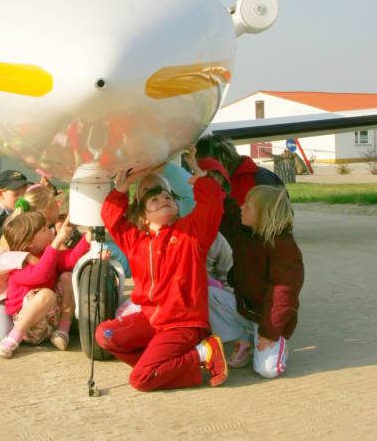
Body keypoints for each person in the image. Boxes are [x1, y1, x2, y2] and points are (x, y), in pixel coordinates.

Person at [94, 148, 229, 392]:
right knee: (106, 335)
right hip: (151, 320)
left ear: (177, 207)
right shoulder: (136, 242)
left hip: (182, 324)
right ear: (143, 218)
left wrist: (200, 176)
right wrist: (124, 187)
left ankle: (203, 352)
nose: (163, 199)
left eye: (168, 197)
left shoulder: (191, 234)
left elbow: (212, 204)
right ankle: (170, 365)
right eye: (154, 200)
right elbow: (112, 218)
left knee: (140, 380)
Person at [209, 185, 304, 378]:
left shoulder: (284, 249)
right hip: (245, 309)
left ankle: (278, 343)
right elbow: (227, 210)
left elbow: (283, 295)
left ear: (264, 214)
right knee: (207, 294)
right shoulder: (243, 230)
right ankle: (244, 338)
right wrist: (205, 180)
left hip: (269, 317)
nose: (241, 207)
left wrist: (270, 331)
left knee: (268, 370)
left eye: (248, 206)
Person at [0, 212, 89, 358]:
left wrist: (89, 235)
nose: (50, 230)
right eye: (44, 230)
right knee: (46, 294)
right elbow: (40, 275)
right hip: (28, 326)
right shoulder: (19, 263)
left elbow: (71, 259)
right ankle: (13, 337)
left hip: (50, 321)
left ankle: (62, 331)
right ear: (30, 242)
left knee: (67, 277)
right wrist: (57, 242)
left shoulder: (47, 253)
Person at [195, 134, 284, 206]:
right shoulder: (219, 182)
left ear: (223, 157)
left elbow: (280, 219)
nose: (205, 175)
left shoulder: (262, 180)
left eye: (208, 167)